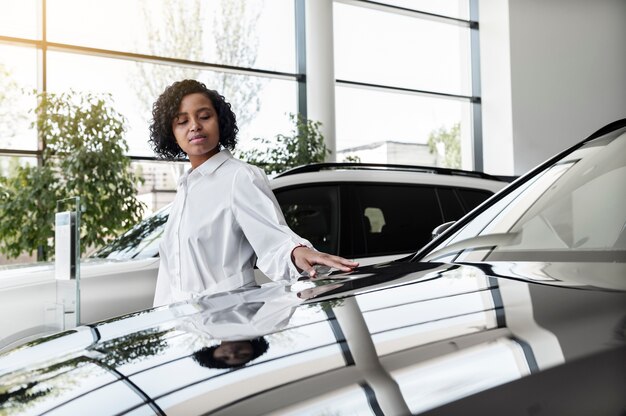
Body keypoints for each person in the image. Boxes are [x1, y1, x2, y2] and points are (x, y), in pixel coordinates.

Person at [149, 79, 358, 306]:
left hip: (231, 316)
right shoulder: (186, 186)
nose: (194, 126)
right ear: (171, 132)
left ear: (220, 121)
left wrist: (297, 252)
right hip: (187, 325)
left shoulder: (240, 177)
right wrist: (163, 321)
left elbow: (273, 239)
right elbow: (170, 274)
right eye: (182, 121)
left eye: (205, 116)